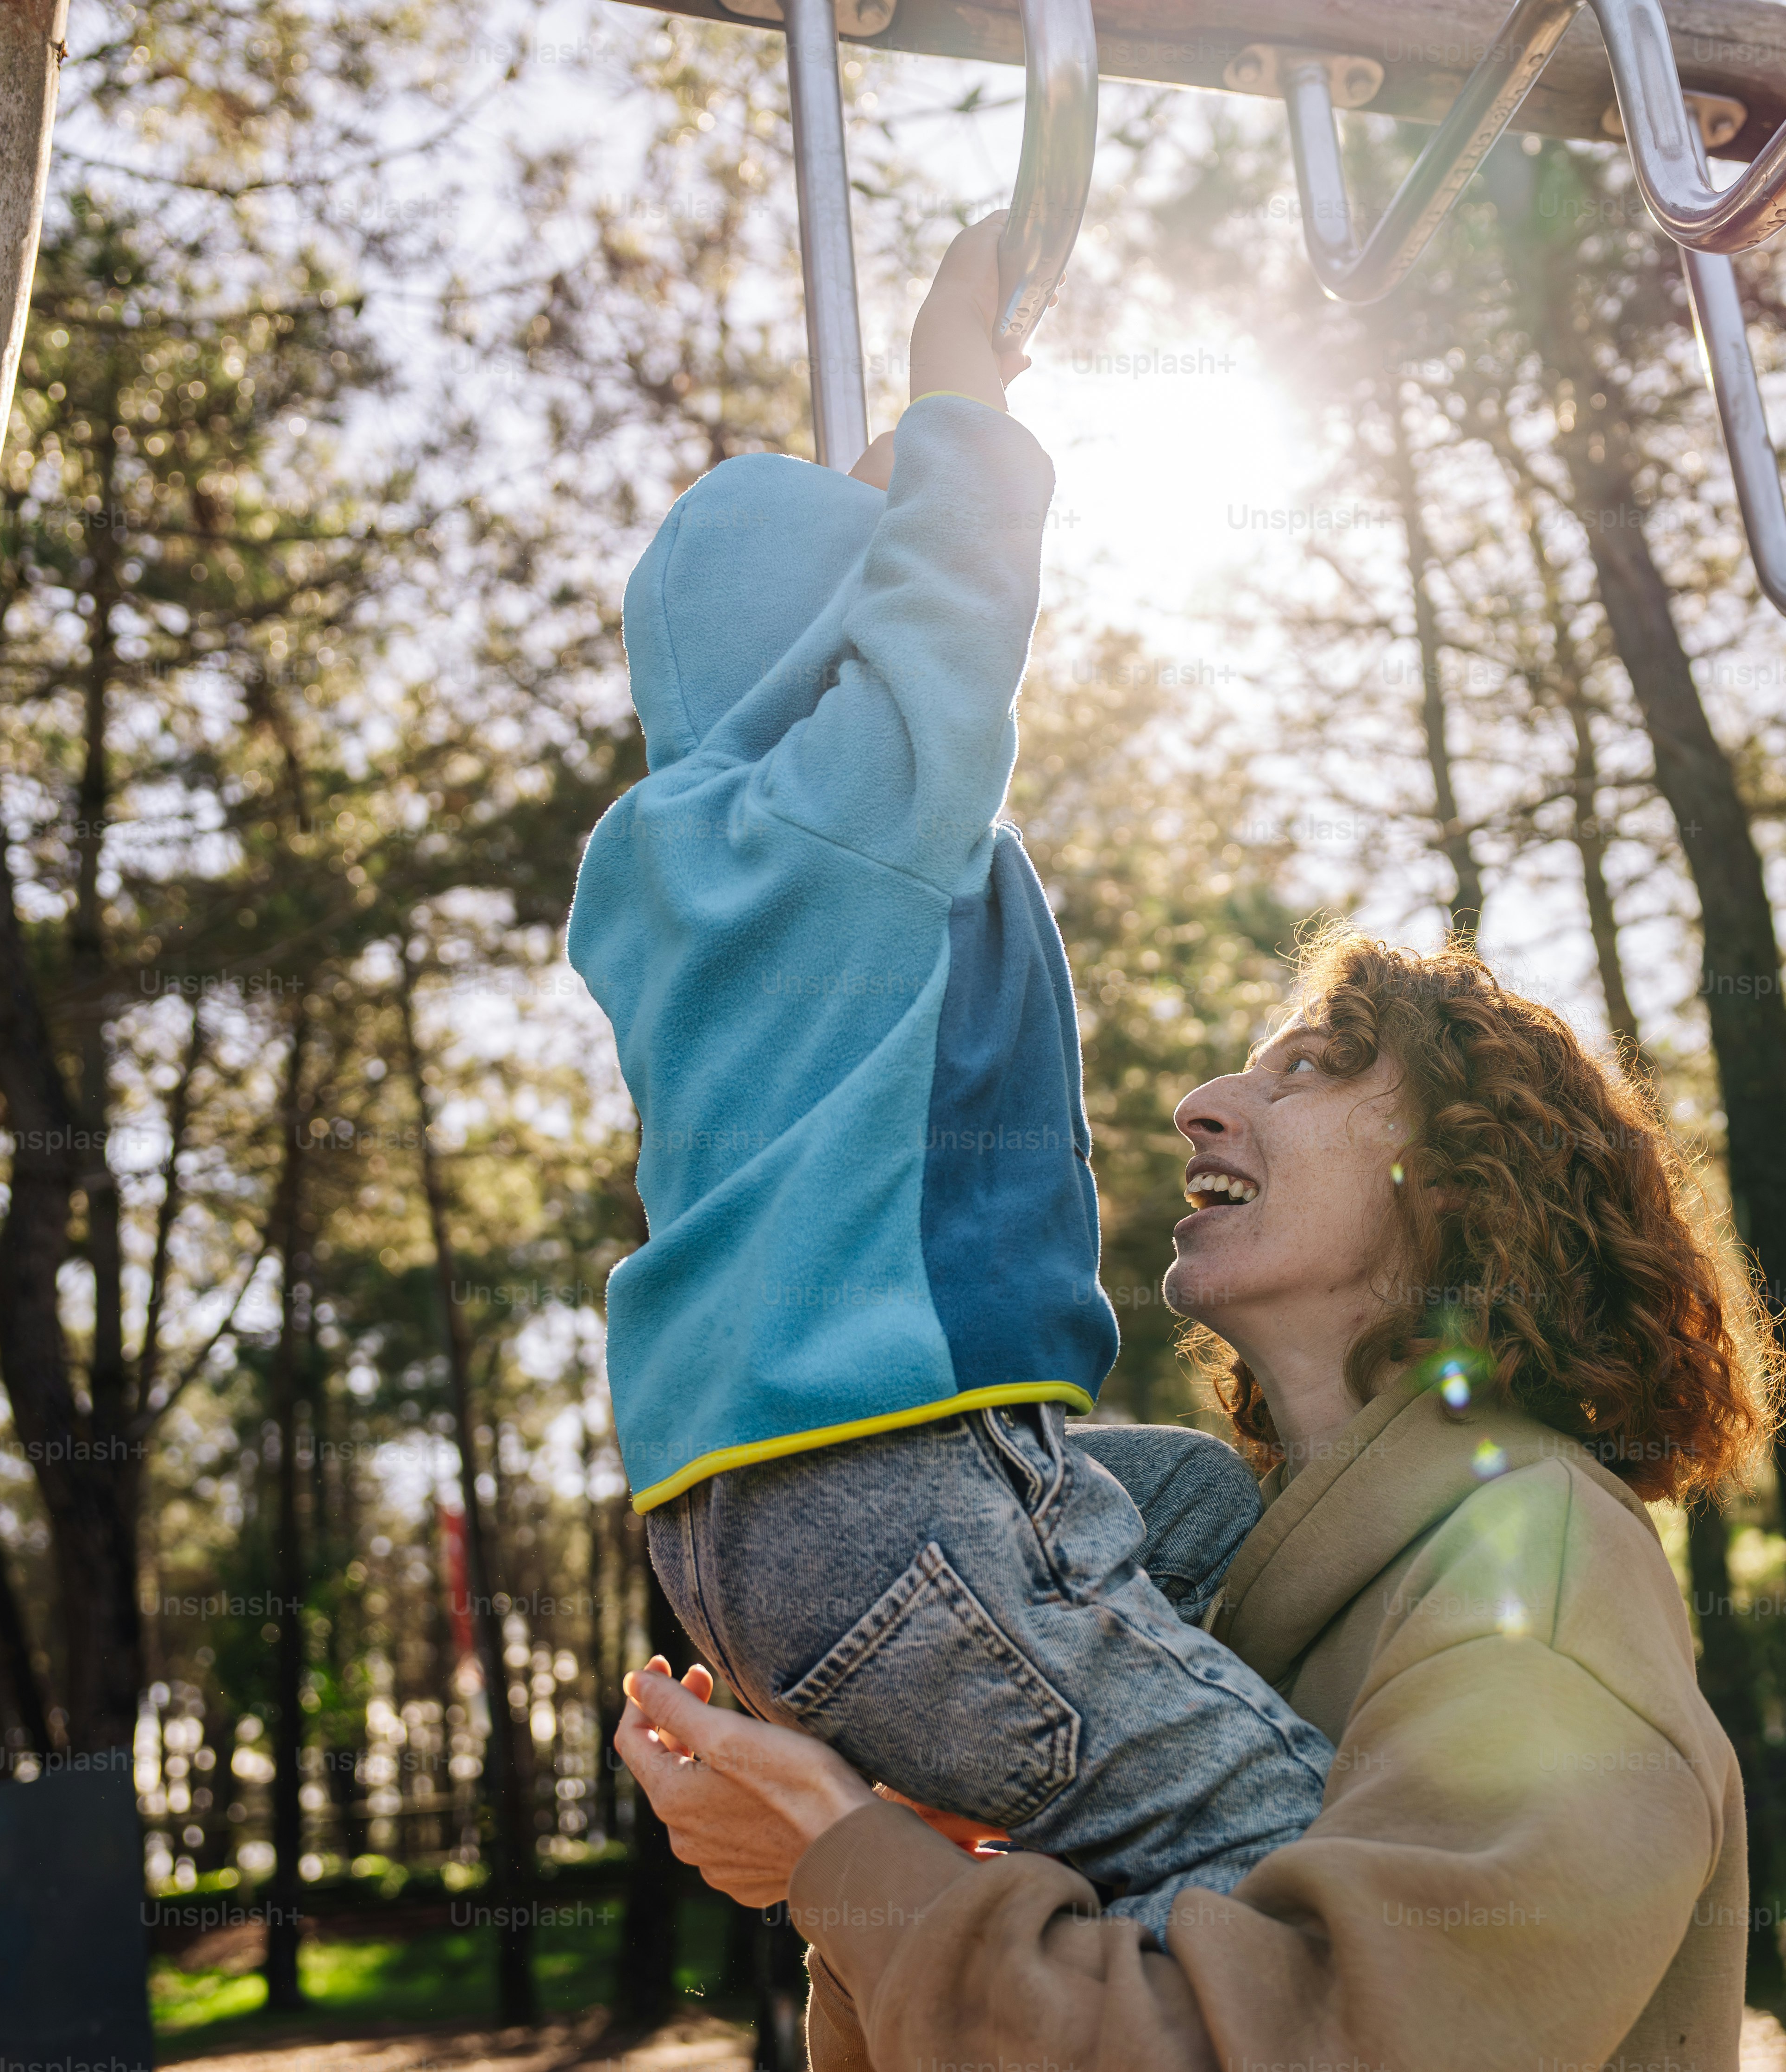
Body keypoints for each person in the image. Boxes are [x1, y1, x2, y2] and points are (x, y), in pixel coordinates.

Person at [617, 931, 1783, 2072]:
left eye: (1315, 1066)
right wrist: (915, 1862)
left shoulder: (1539, 1571)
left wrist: (849, 1865)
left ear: (1469, 1176)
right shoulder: (1190, 1573)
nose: (1201, 1102)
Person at [564, 212, 1330, 1945]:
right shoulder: (844, 820)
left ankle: (1069, 1864)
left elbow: (844, 618)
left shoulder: (707, 869)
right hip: (908, 1486)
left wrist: (868, 492)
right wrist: (958, 391)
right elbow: (948, 627)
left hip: (767, 1527)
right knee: (1289, 1847)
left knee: (1226, 1505)